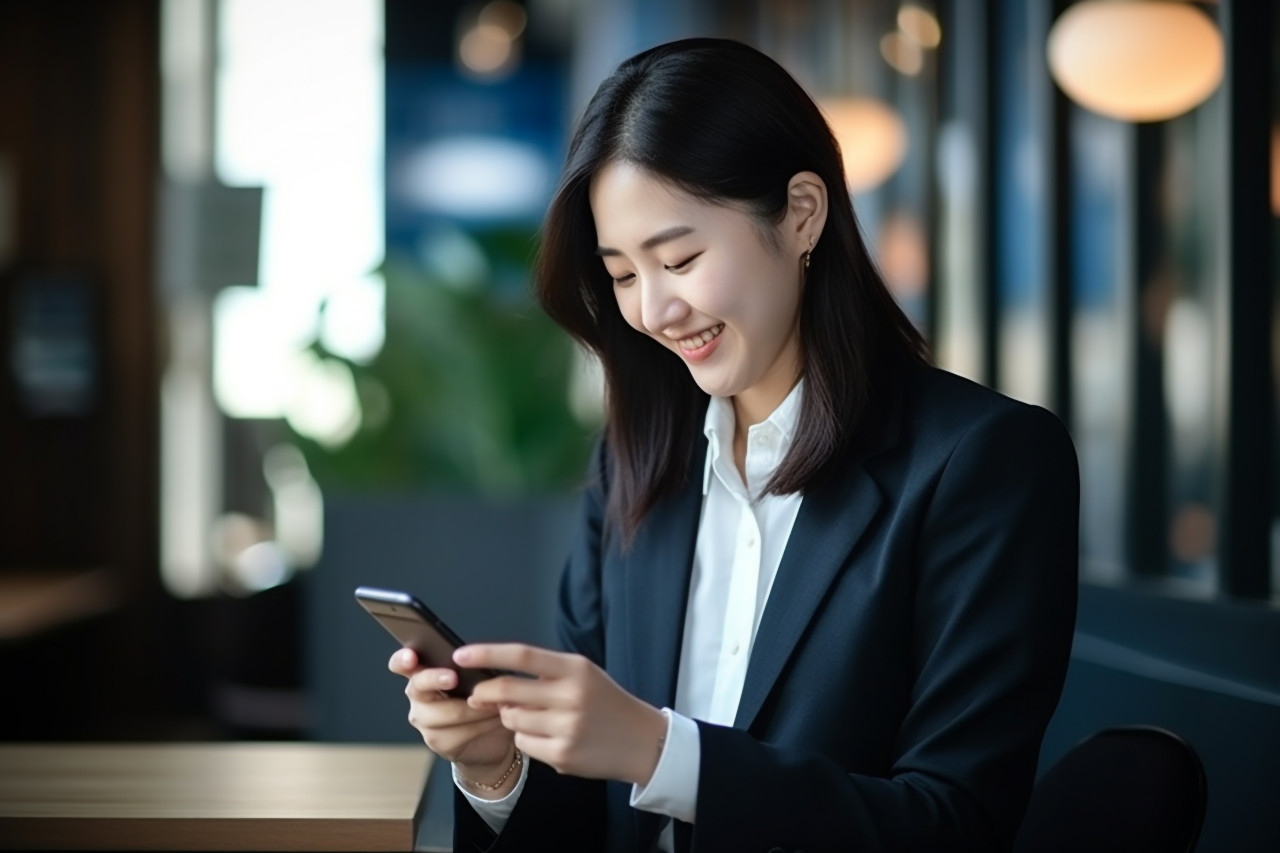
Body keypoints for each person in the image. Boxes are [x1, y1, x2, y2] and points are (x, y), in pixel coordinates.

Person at [388, 37, 1079, 852]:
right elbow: (589, 824)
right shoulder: (636, 464)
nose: (653, 310)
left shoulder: (986, 462)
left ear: (801, 214)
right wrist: (501, 765)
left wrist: (660, 749)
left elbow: (951, 823)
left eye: (679, 258)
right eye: (620, 273)